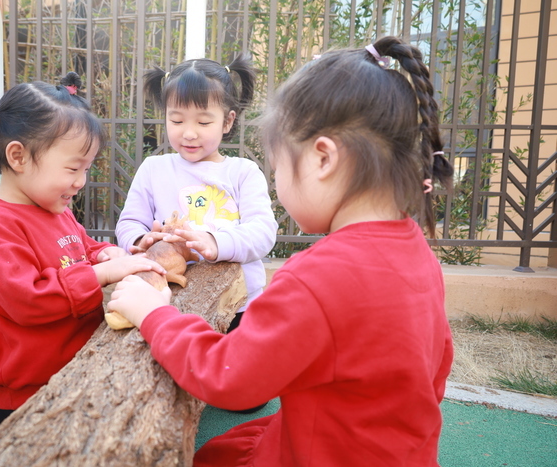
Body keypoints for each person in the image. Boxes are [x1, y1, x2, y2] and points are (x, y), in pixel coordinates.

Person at [108, 36, 455, 466]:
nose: (278, 187)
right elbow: (436, 368)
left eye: (279, 170)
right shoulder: (418, 252)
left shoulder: (317, 278)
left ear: (323, 159)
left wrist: (153, 313)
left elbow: (228, 375)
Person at [0, 73, 166, 467]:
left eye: (87, 168)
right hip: (25, 389)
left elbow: (81, 248)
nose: (82, 181)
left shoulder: (53, 209)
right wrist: (102, 275)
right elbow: (29, 299)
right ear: (18, 157)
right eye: (74, 169)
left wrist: (105, 254)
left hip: (70, 369)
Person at [115, 53, 278, 340]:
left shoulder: (242, 172)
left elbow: (263, 232)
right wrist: (142, 241)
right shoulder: (154, 169)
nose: (189, 133)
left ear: (227, 122)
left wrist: (216, 242)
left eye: (203, 123)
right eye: (176, 120)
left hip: (238, 307)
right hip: (168, 301)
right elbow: (129, 223)